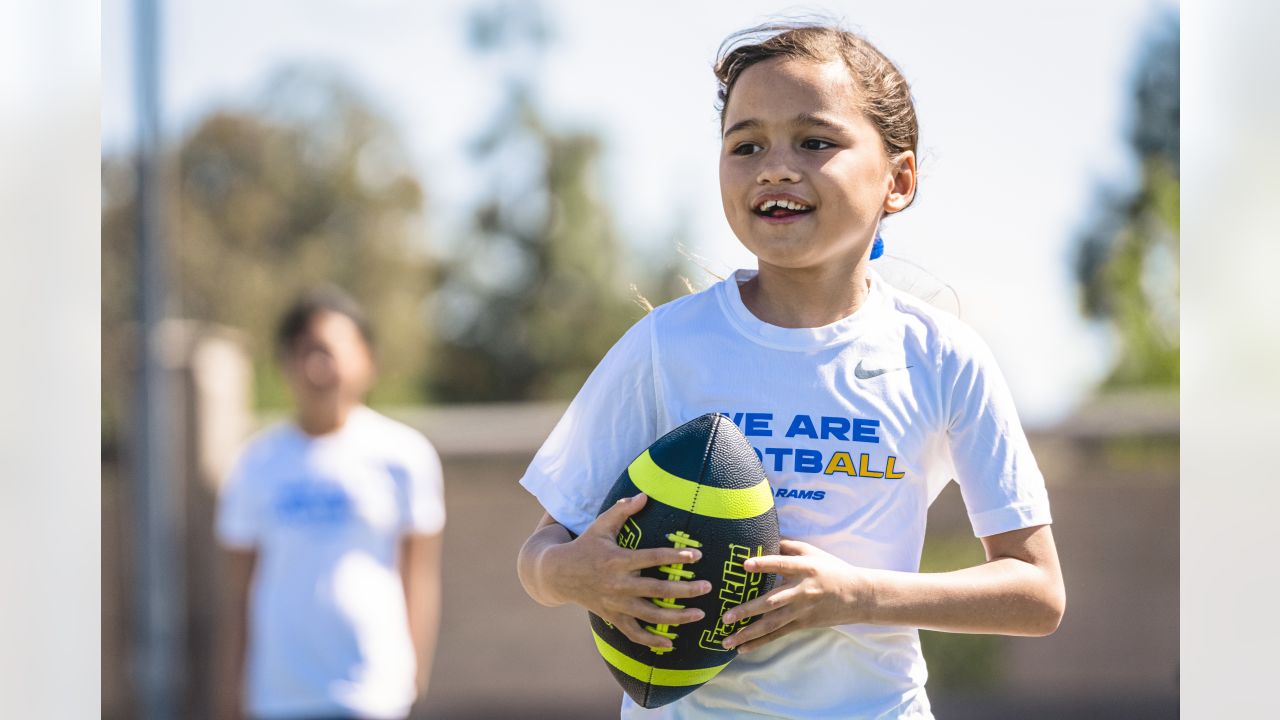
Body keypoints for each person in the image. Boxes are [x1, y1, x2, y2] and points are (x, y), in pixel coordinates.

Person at [516, 22, 1064, 719]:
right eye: (746, 145)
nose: (775, 167)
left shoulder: (940, 357)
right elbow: (539, 553)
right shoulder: (666, 345)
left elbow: (1037, 593)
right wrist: (575, 573)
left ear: (898, 180)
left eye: (815, 141)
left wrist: (855, 594)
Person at [216, 287, 445, 720]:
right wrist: (232, 692)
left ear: (366, 359)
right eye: (304, 352)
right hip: (280, 694)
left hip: (372, 690)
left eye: (329, 351)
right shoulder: (254, 463)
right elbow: (240, 593)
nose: (317, 367)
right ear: (285, 363)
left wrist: (414, 674)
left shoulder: (404, 456)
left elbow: (420, 575)